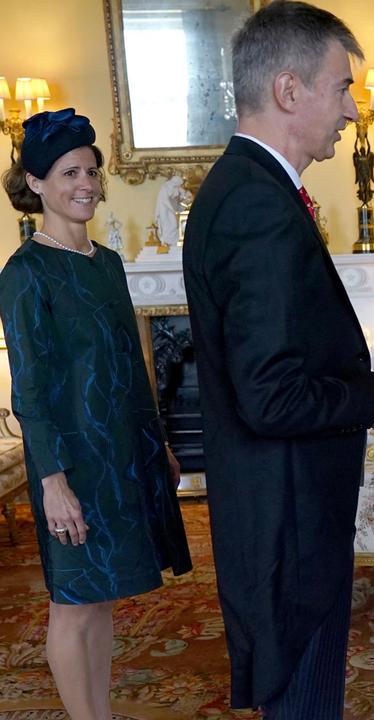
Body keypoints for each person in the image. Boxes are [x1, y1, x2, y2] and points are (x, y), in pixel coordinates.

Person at [181, 3, 374, 717]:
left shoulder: (244, 188)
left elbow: (277, 366)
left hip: (278, 504)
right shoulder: (257, 205)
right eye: (342, 87)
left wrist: (359, 398)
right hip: (287, 521)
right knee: (303, 702)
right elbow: (270, 397)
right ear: (290, 91)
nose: (352, 109)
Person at [0, 109, 191, 720]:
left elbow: (133, 367)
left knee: (105, 596)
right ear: (35, 183)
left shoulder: (107, 262)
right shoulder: (25, 273)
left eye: (91, 171)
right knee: (73, 601)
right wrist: (52, 482)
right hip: (70, 463)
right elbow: (28, 389)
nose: (86, 184)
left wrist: (157, 442)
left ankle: (99, 712)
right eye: (68, 173)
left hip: (122, 456)